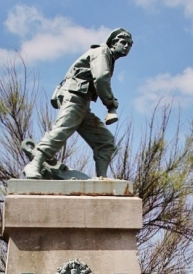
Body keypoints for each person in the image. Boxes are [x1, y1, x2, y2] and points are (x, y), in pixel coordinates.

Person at [22, 28, 133, 179]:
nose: (127, 46)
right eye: (123, 42)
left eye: (129, 44)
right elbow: (101, 78)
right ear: (113, 43)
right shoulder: (102, 52)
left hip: (83, 103)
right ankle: (34, 165)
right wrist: (110, 103)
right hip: (75, 97)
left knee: (105, 141)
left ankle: (101, 178)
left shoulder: (109, 57)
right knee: (61, 130)